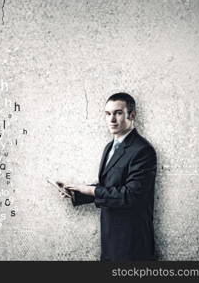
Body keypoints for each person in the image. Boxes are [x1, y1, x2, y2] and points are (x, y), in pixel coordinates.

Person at [57, 92, 157, 261]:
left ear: (132, 115)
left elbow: (130, 196)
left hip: (132, 243)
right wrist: (75, 192)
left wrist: (91, 191)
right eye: (108, 114)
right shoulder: (109, 147)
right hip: (110, 241)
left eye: (118, 113)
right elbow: (109, 185)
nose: (112, 119)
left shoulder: (143, 151)